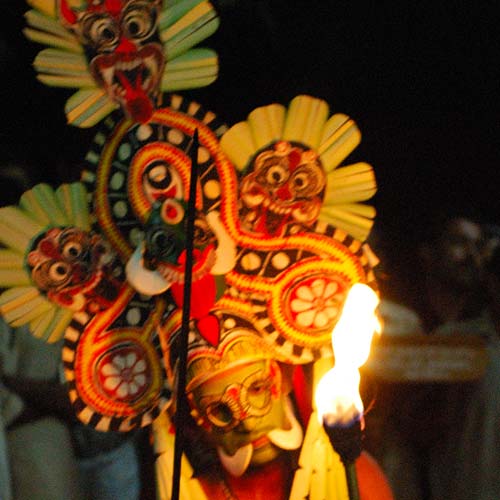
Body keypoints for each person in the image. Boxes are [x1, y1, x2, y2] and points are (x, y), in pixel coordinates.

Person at [370, 208, 500, 500]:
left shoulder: (477, 333)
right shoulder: (394, 321)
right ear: (428, 252)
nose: (471, 255)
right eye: (458, 243)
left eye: (477, 245)